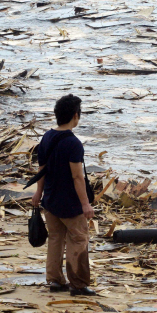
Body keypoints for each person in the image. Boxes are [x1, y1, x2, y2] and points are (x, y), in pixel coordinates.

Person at [31, 94, 96, 296]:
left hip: (50, 199)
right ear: (76, 115)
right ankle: (78, 284)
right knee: (78, 239)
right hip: (69, 203)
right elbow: (78, 177)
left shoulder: (47, 137)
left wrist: (38, 193)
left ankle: (56, 280)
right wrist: (85, 204)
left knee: (56, 239)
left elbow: (41, 169)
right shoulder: (73, 143)